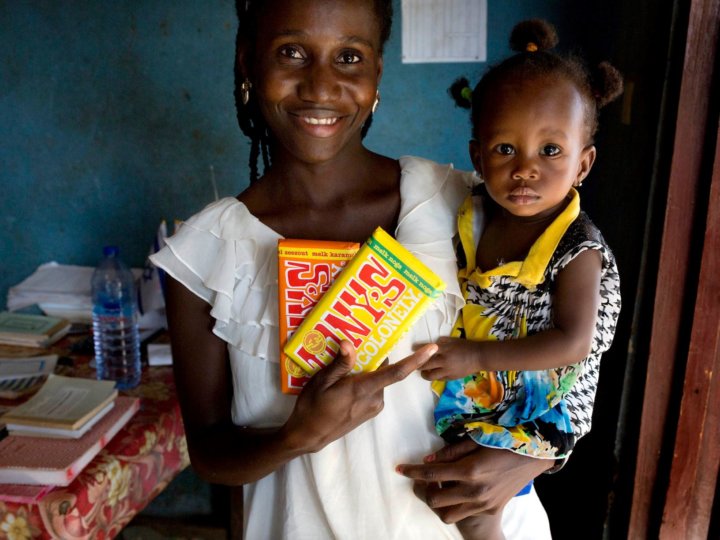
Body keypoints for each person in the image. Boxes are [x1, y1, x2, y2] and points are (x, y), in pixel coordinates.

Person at [151, 1, 552, 538]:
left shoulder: (458, 203)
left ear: (376, 74)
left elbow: (572, 346)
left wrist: (538, 457)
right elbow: (209, 452)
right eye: (291, 52)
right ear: (247, 63)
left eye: (349, 57)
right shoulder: (204, 254)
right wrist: (297, 435)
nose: (320, 86)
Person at [406, 19, 623, 539]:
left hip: (536, 401)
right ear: (478, 155)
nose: (526, 169)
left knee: (478, 515)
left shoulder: (577, 251)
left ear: (583, 164)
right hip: (481, 391)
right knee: (439, 490)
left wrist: (475, 357)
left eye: (551, 151)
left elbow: (572, 344)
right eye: (506, 149)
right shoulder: (470, 213)